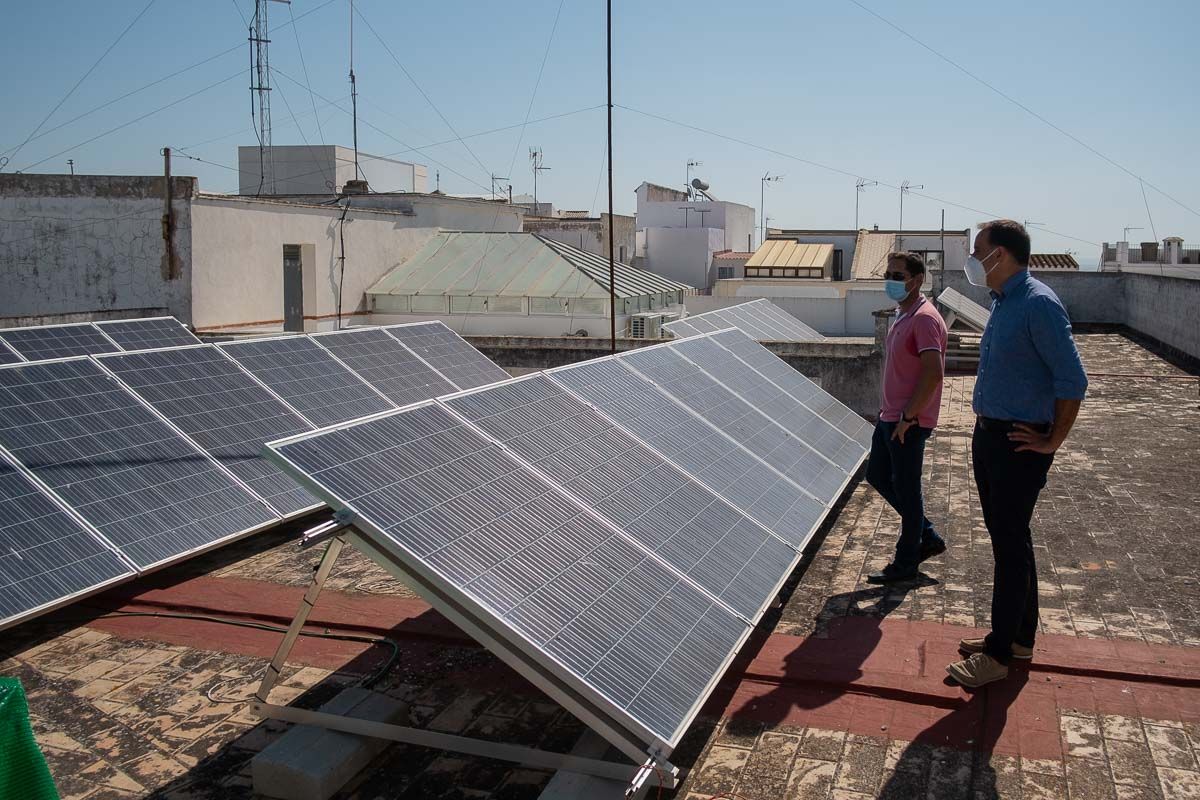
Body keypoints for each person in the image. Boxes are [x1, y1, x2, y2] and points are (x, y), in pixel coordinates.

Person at [945, 220, 1087, 688]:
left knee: (1008, 547)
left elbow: (1073, 380)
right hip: (990, 436)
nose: (973, 257)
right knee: (1011, 538)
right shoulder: (1004, 302)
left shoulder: (1038, 304)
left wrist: (1052, 441)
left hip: (1017, 444)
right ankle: (1019, 637)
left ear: (1000, 255)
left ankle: (999, 654)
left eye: (978, 250)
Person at [864, 251, 948, 585]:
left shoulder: (925, 318)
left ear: (916, 280)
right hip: (891, 416)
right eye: (888, 273)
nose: (891, 280)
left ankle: (905, 562)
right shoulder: (904, 314)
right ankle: (926, 535)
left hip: (908, 422)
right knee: (878, 475)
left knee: (908, 491)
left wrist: (909, 418)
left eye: (897, 275)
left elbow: (933, 373)